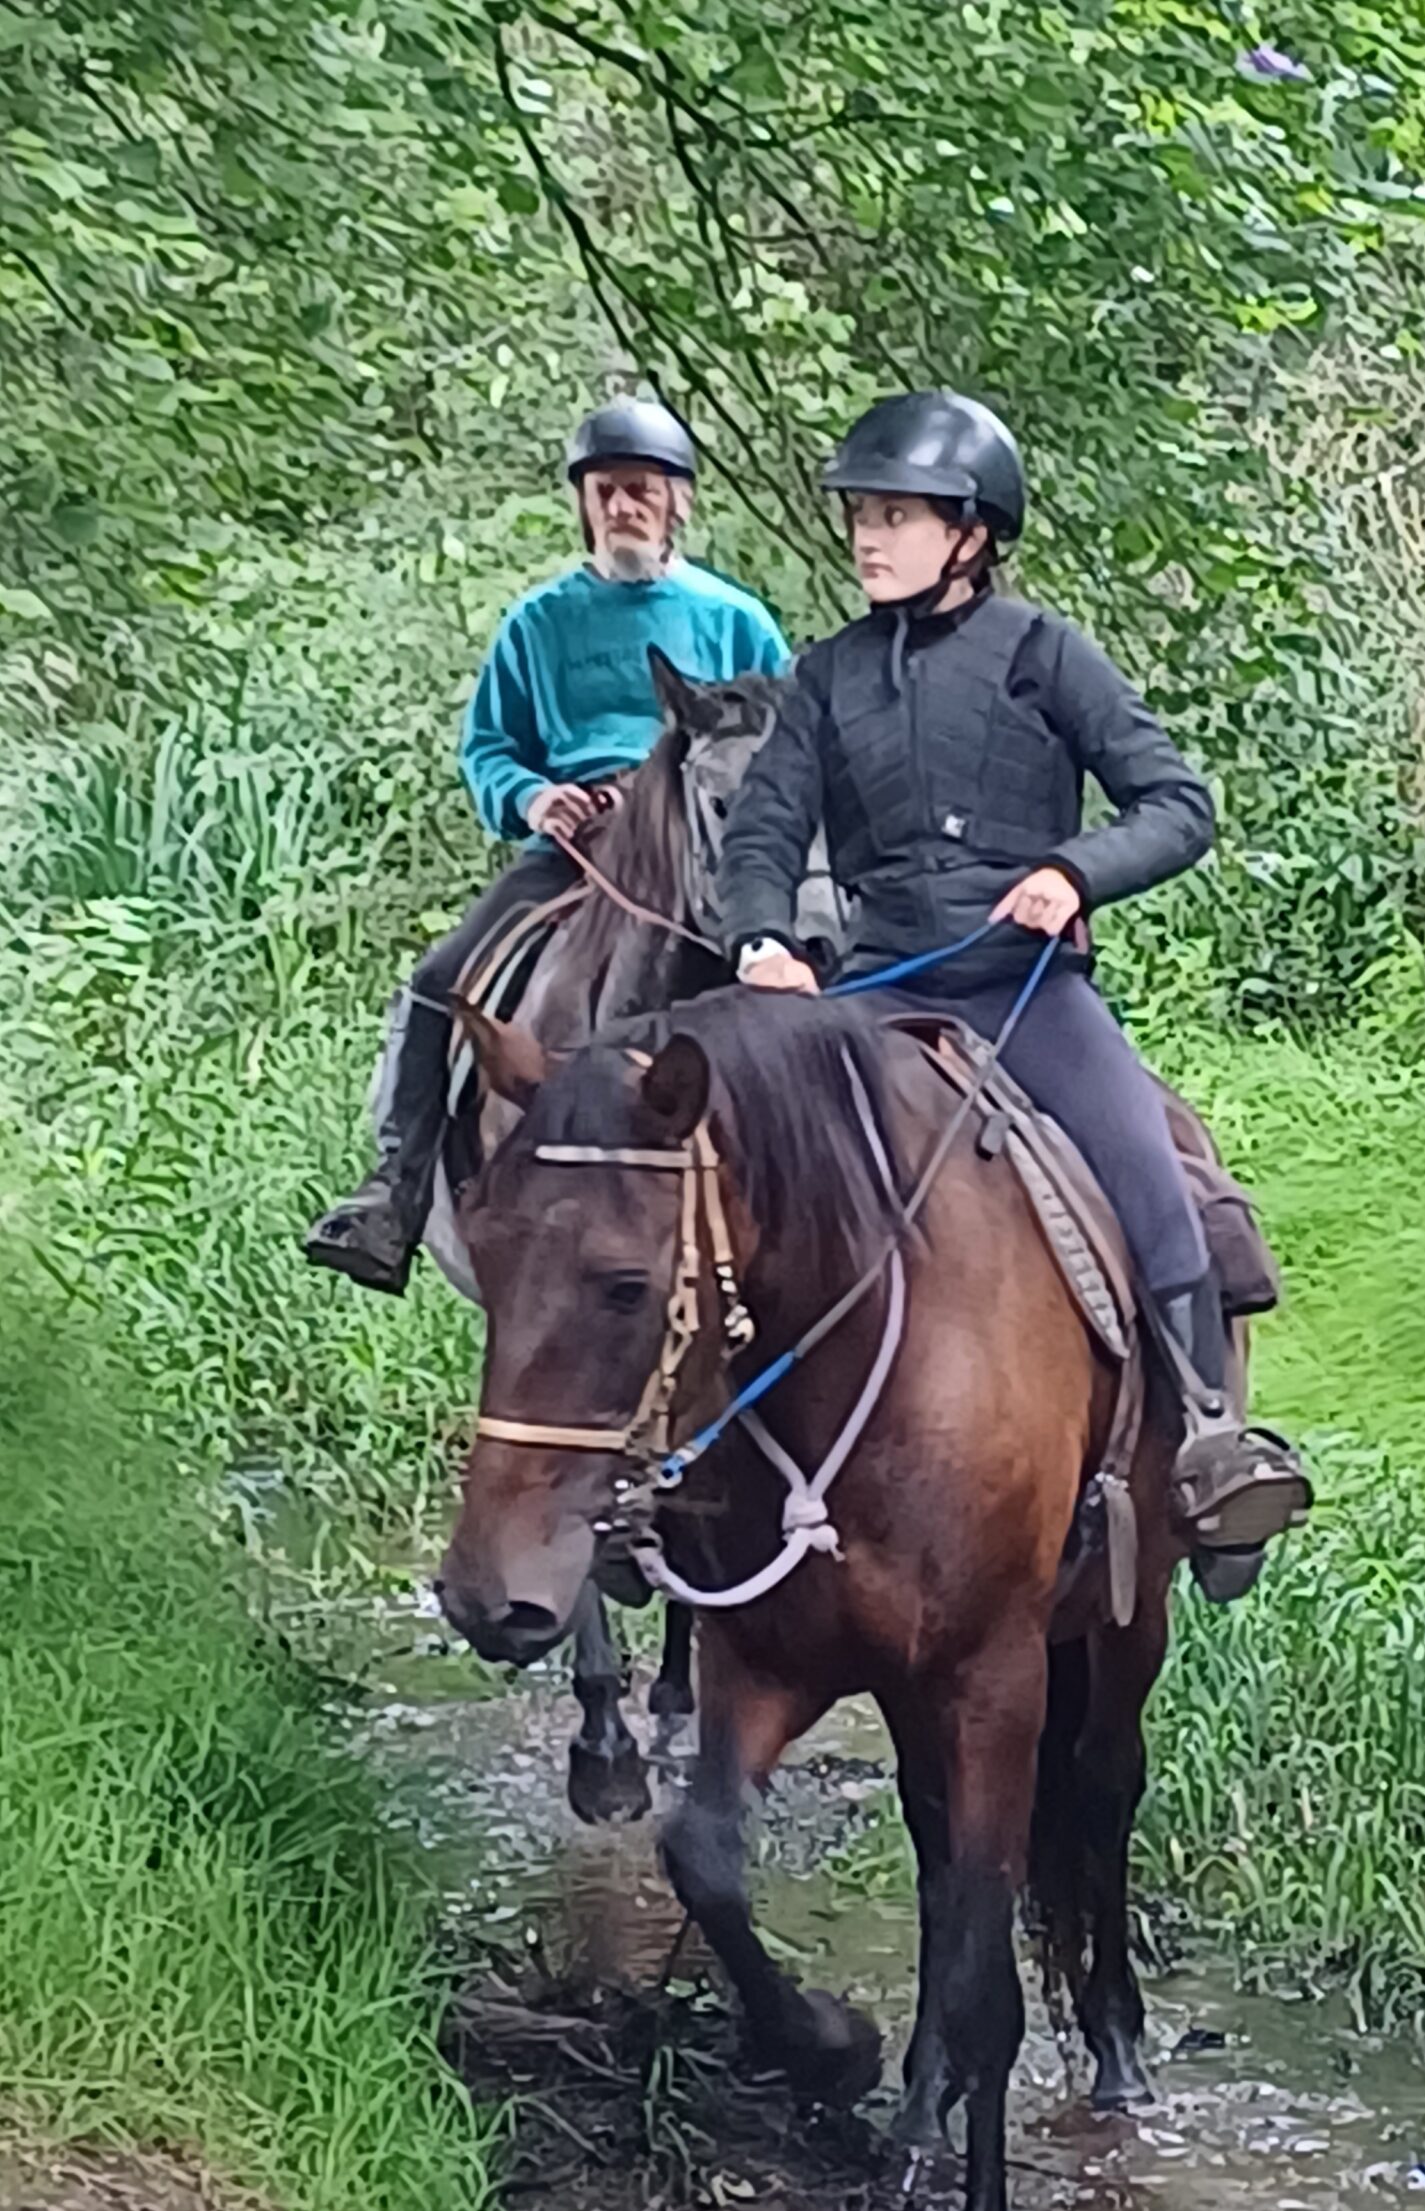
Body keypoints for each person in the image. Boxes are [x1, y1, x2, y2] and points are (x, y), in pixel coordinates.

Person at [716, 389, 1311, 1587]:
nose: (869, 536)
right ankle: (682, 1463)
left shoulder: (1047, 654)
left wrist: (1072, 871)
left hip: (1025, 989)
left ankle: (1209, 1441)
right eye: (862, 515)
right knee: (725, 1181)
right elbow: (763, 832)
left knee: (1151, 1172)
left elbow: (1177, 804)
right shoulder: (823, 677)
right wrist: (762, 940)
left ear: (973, 532)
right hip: (873, 997)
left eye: (897, 515)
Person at [305, 396, 790, 1294]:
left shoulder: (737, 621)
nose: (623, 507)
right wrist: (533, 798)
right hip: (578, 851)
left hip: (704, 843)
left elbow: (779, 744)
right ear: (583, 504)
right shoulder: (537, 623)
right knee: (438, 980)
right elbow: (489, 747)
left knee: (801, 972)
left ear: (679, 500)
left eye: (641, 489)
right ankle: (393, 1193)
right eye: (605, 491)